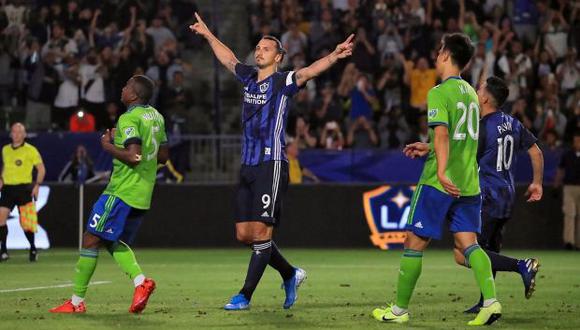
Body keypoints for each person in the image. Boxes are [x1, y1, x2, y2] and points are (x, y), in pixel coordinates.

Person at [190, 12, 353, 310]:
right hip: (248, 165)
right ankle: (290, 273)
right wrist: (209, 35)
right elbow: (228, 59)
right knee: (244, 234)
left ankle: (244, 296)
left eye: (266, 48)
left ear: (278, 57)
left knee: (263, 233)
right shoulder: (248, 77)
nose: (259, 51)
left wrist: (334, 56)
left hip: (272, 163)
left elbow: (308, 72)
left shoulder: (283, 81)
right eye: (258, 47)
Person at [371, 33, 501, 326]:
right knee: (470, 244)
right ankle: (491, 303)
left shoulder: (439, 92)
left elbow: (443, 133)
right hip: (468, 181)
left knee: (413, 242)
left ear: (445, 55)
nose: (436, 55)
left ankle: (400, 310)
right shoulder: (471, 93)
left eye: (439, 50)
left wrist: (440, 169)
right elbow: (462, 137)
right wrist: (428, 145)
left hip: (438, 182)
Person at [403, 76, 544, 314]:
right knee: (489, 248)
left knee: (463, 253)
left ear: (486, 98)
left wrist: (429, 148)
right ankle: (485, 301)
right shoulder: (513, 123)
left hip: (487, 192)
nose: (476, 93)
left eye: (479, 90)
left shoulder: (482, 127)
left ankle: (522, 266)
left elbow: (458, 148)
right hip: (508, 195)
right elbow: (536, 152)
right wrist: (537, 183)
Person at [49, 75, 169, 314]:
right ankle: (138, 282)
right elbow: (163, 157)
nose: (122, 89)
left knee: (90, 238)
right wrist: (125, 145)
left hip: (121, 190)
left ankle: (77, 303)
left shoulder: (128, 118)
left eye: (126, 86)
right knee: (108, 239)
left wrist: (107, 145)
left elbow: (133, 156)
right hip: (143, 192)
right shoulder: (156, 116)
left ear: (134, 94)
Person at [0, 123, 46, 262]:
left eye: (20, 132)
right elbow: (4, 168)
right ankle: (3, 251)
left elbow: (41, 169)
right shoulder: (5, 150)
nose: (17, 134)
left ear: (24, 134)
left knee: (26, 224)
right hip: (7, 189)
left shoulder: (31, 150)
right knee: (1, 218)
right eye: (14, 131)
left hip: (24, 189)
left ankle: (32, 247)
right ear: (11, 134)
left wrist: (37, 185)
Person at [555, 131, 580, 250]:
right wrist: (556, 184)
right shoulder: (568, 154)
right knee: (569, 214)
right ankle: (569, 242)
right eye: (575, 141)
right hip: (569, 187)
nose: (577, 143)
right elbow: (560, 170)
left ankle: (578, 243)